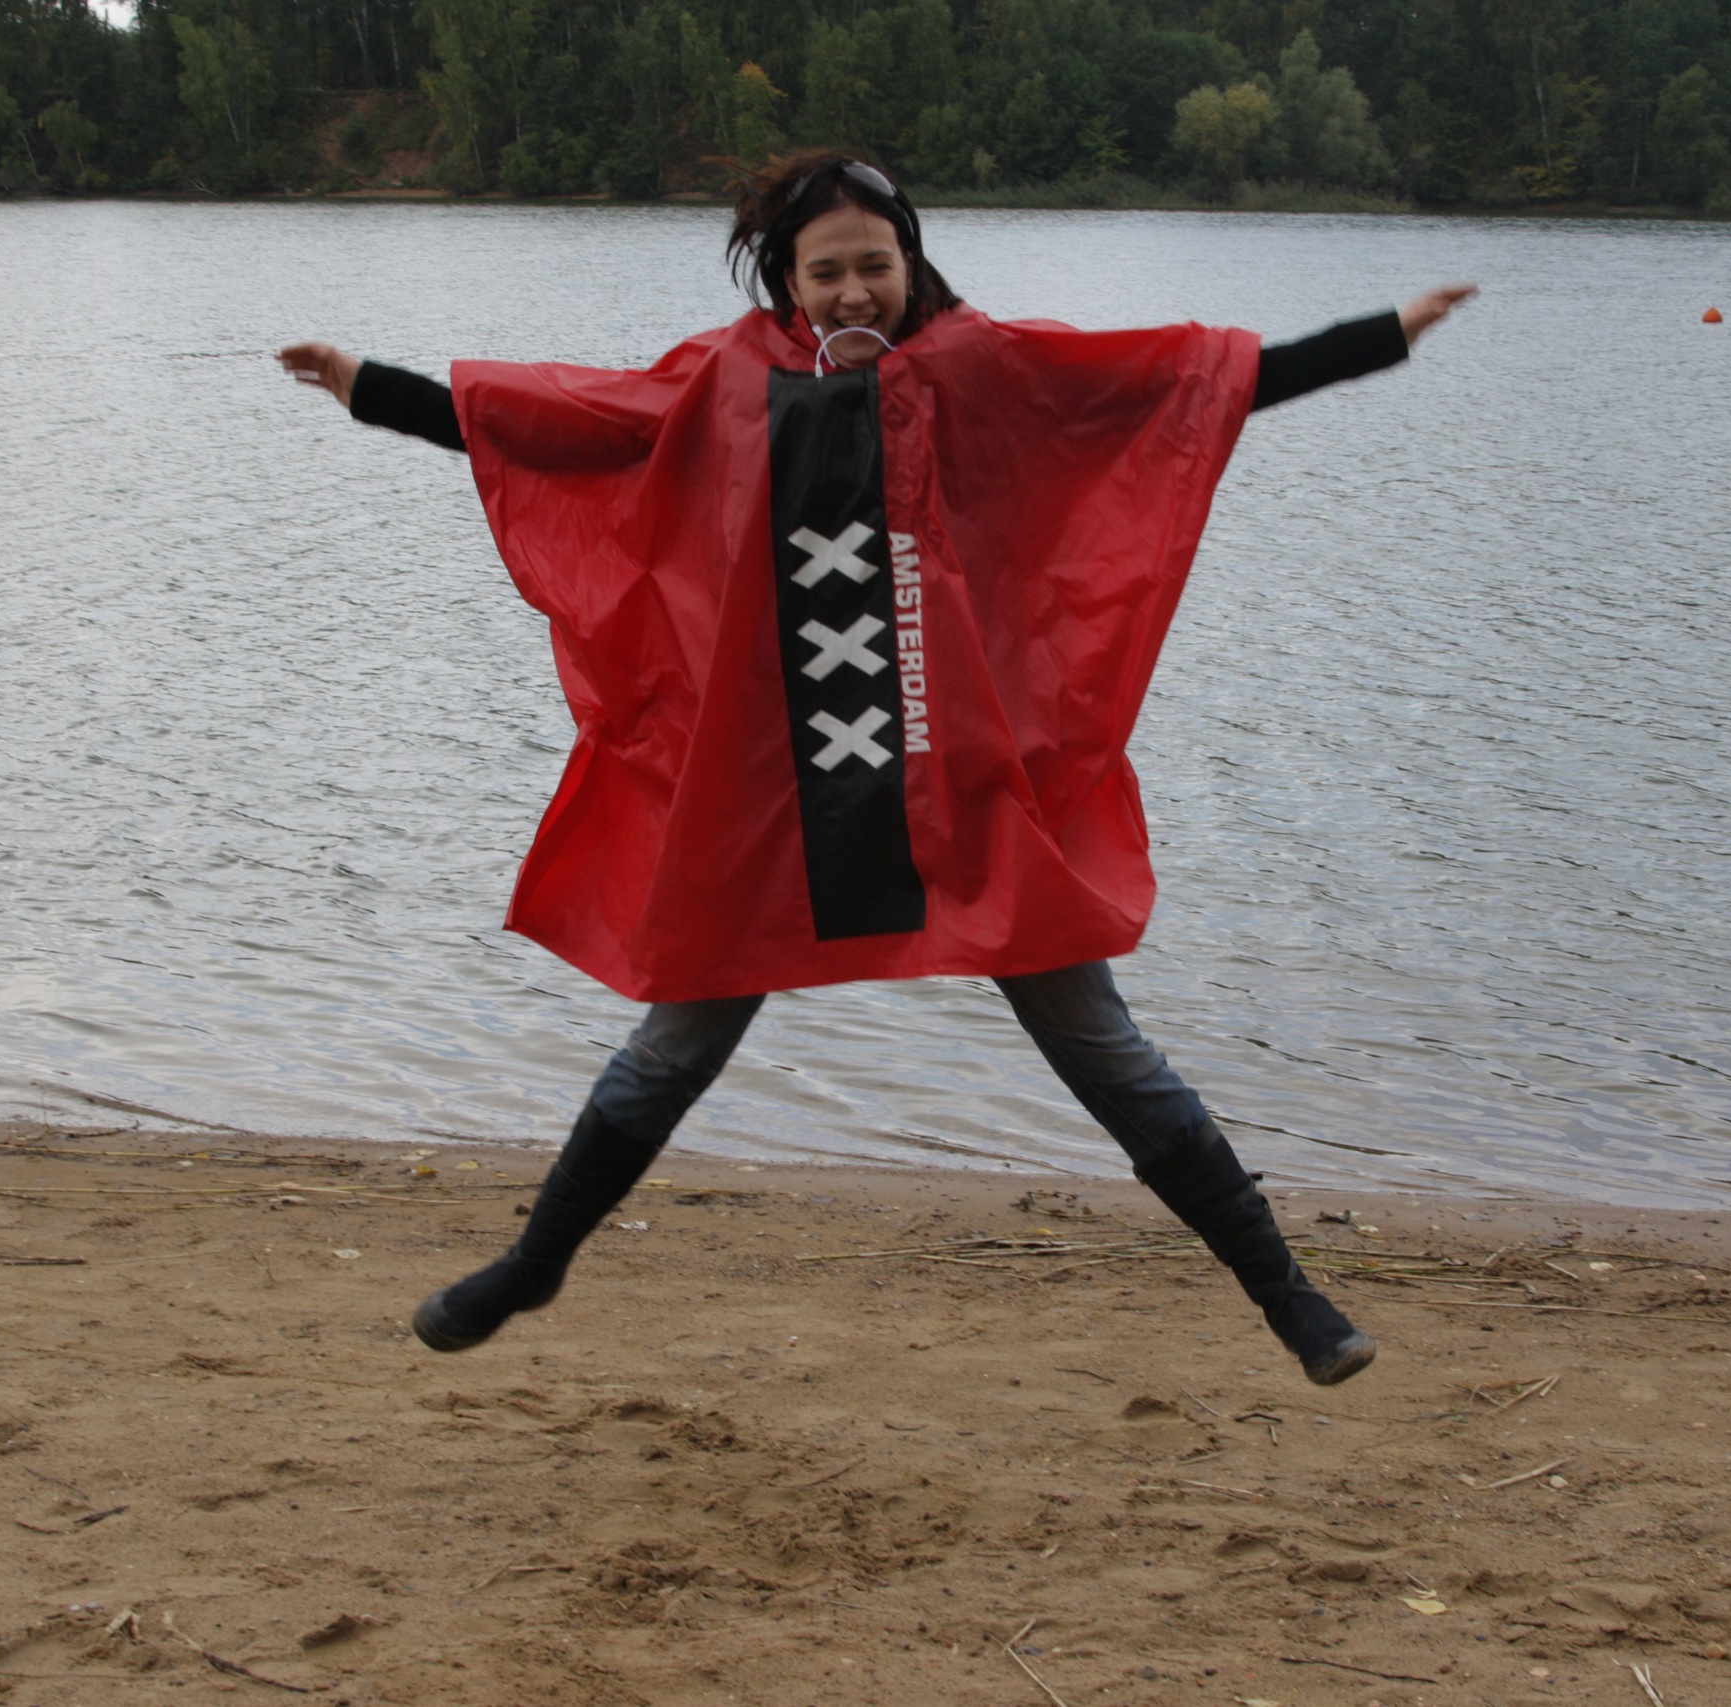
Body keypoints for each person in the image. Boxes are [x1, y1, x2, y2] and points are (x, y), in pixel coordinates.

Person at [280, 151, 1475, 1386]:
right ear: (785, 280)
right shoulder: (725, 380)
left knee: (1099, 1043)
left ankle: (1288, 1298)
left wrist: (1376, 337)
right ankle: (533, 1265)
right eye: (826, 272)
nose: (853, 290)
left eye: (874, 265)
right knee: (676, 1043)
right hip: (772, 794)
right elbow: (567, 428)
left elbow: (1169, 395)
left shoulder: (980, 369)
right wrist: (371, 386)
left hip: (958, 786)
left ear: (910, 261)